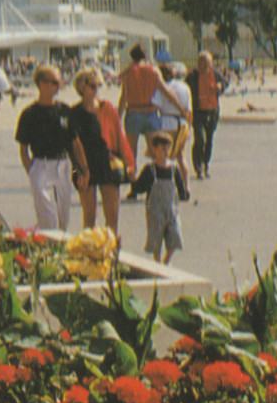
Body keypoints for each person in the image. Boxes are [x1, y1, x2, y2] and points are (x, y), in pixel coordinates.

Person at [15, 64, 87, 231]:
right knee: (48, 217)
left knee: (63, 217)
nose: (58, 86)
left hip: (63, 164)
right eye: (54, 82)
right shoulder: (29, 114)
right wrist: (31, 171)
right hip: (41, 164)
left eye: (59, 82)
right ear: (42, 83)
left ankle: (59, 249)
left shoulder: (64, 110)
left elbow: (74, 144)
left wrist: (82, 170)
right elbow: (23, 147)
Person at [70, 67, 131, 234]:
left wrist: (129, 163)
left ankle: (111, 253)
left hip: (107, 163)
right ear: (81, 87)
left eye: (98, 85)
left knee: (112, 216)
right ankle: (90, 252)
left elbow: (120, 137)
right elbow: (72, 147)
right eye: (92, 85)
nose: (96, 89)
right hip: (84, 166)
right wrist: (78, 172)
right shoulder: (74, 113)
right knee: (89, 217)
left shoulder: (107, 108)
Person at [118, 44, 171, 164]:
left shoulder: (128, 73)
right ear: (146, 56)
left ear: (132, 58)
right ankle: (155, 177)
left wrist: (118, 117)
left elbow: (123, 98)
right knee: (154, 151)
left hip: (133, 112)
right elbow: (167, 92)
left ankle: (132, 177)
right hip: (150, 112)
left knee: (131, 152)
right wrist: (181, 109)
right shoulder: (153, 71)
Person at [140, 132, 184, 265]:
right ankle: (158, 263)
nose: (165, 151)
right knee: (156, 239)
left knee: (175, 236)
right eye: (162, 148)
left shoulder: (174, 169)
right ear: (154, 149)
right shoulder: (150, 169)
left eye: (167, 148)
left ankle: (165, 262)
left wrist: (184, 193)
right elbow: (139, 186)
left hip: (171, 209)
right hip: (155, 210)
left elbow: (180, 187)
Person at [188, 51, 227, 180]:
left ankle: (206, 165)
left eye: (208, 63)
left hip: (212, 111)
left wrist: (220, 86)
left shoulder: (215, 74)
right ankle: (197, 166)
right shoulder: (193, 76)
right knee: (199, 139)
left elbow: (225, 83)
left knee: (209, 140)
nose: (206, 66)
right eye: (203, 63)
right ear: (198, 63)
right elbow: (184, 89)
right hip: (198, 112)